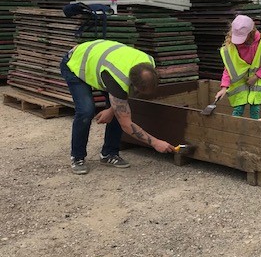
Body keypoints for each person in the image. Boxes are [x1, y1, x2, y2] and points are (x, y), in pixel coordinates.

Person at [60, 39, 175, 175]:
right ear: (131, 83)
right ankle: (77, 157)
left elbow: (121, 103)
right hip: (76, 64)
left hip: (101, 61)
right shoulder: (118, 78)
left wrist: (112, 110)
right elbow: (126, 124)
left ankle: (109, 153)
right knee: (86, 110)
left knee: (118, 110)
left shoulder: (148, 63)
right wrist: (155, 142)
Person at [214, 15, 261, 119]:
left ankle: (254, 132)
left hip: (256, 81)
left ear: (250, 33)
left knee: (255, 109)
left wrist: (256, 77)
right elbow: (228, 68)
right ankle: (234, 130)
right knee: (238, 109)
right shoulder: (231, 47)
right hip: (240, 83)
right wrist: (224, 88)